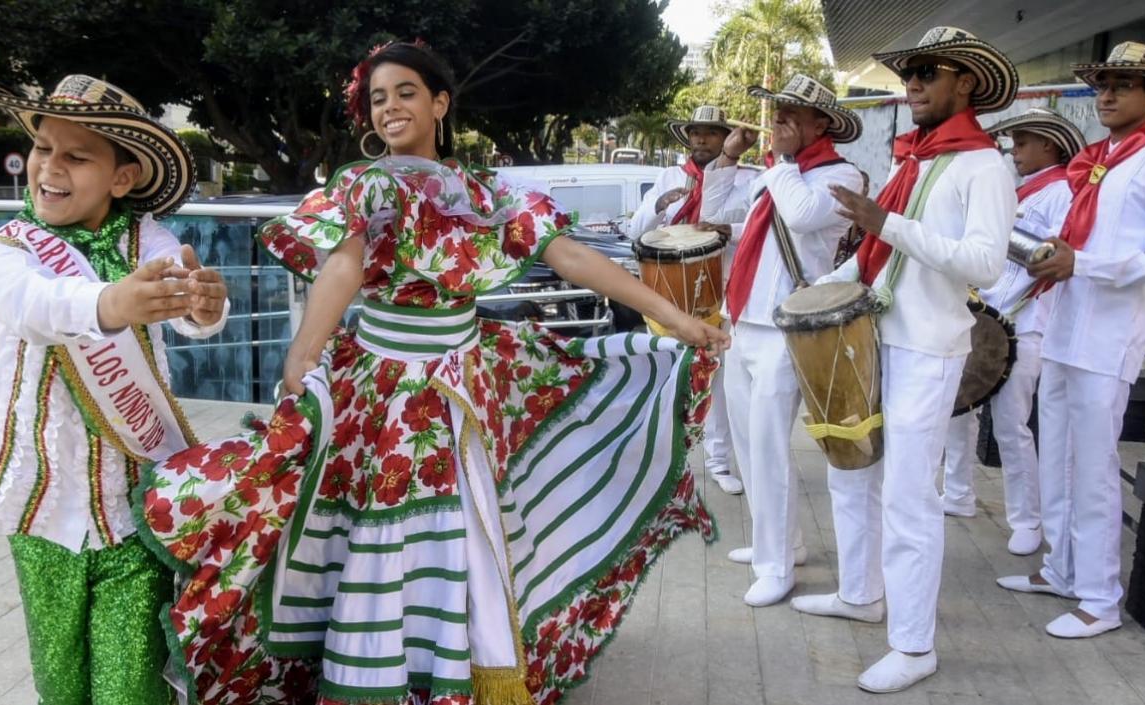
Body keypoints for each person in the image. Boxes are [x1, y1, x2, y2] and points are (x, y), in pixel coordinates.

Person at [134, 41, 729, 705]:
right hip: (387, 387)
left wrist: (669, 315)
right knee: (381, 528)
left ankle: (463, 670)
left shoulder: (487, 192)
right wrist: (302, 353)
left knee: (470, 528)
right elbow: (344, 265)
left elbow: (569, 256)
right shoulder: (368, 183)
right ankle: (379, 676)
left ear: (440, 103)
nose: (389, 107)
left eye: (406, 92)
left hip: (470, 379)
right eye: (378, 97)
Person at [0, 75, 229, 704]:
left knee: (129, 688)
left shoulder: (150, 242)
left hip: (133, 508)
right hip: (40, 508)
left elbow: (191, 310)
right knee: (59, 684)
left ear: (123, 178)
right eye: (42, 149)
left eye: (76, 156)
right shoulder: (6, 249)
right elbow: (33, 306)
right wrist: (112, 300)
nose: (49, 168)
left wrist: (204, 306)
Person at [790, 27, 1018, 692]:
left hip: (927, 348)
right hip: (872, 337)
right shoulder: (911, 160)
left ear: (966, 82)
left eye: (926, 71)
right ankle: (861, 592)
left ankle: (915, 646)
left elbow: (986, 263)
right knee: (848, 469)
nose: (912, 84)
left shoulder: (985, 166)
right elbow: (876, 252)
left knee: (909, 498)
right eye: (907, 73)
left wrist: (882, 223)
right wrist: (829, 294)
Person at [998, 42, 1145, 639]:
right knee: (1056, 454)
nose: (1106, 95)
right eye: (1103, 84)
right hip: (1062, 325)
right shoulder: (1095, 162)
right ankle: (1061, 567)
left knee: (1096, 467)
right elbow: (1074, 243)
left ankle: (1102, 598)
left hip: (1108, 337)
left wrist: (1084, 265)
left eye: (1123, 85)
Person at [697, 75, 863, 607]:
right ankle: (781, 544)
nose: (779, 122)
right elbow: (717, 211)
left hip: (788, 325)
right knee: (749, 441)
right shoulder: (777, 173)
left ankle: (776, 565)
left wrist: (780, 162)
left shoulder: (842, 175)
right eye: (778, 113)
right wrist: (725, 160)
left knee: (769, 444)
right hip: (744, 318)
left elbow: (803, 215)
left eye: (793, 114)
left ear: (823, 124)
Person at [942, 107, 1083, 557]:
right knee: (959, 408)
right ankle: (959, 492)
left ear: (1050, 146)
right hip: (984, 317)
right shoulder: (1022, 189)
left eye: (1022, 144)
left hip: (1024, 323)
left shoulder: (1062, 192)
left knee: (1009, 424)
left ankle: (1027, 519)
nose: (1014, 152)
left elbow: (1052, 256)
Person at [628, 105, 757, 496]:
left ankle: (719, 461)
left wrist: (725, 228)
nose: (701, 139)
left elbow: (755, 228)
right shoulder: (668, 176)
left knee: (719, 383)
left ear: (726, 139)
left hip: (723, 294)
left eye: (711, 134)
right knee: (668, 378)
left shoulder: (750, 179)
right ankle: (665, 462)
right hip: (669, 297)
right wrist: (658, 205)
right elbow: (636, 230)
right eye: (695, 133)